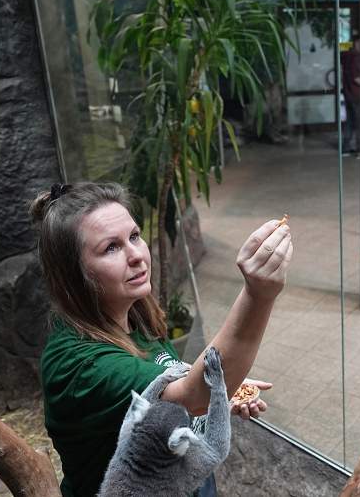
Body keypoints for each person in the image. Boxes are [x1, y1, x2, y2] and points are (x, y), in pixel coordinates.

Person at [32, 182, 292, 497]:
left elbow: (171, 377)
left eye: (134, 236)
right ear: (73, 274)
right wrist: (258, 294)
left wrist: (225, 391)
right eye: (111, 248)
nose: (136, 256)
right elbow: (193, 396)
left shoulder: (133, 313)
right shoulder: (81, 365)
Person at [340, 32, 360, 154]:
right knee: (359, 122)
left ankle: (345, 148)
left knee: (349, 122)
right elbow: (357, 79)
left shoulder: (346, 56)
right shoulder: (356, 58)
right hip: (356, 94)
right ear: (357, 43)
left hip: (348, 93)